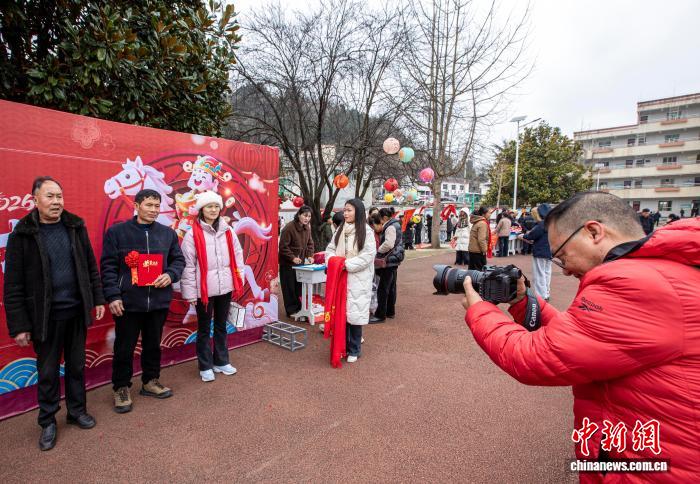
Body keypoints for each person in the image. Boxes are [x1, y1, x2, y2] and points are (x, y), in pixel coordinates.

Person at [462, 191, 700, 482]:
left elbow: (535, 358)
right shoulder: (661, 271)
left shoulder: (636, 282)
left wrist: (479, 310)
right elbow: (584, 338)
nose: (565, 271)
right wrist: (523, 302)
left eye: (562, 256)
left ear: (594, 232)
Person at [3, 177, 106, 451]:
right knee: (47, 372)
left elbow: (90, 266)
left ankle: (76, 411)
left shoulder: (75, 226)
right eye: (50, 196)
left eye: (59, 196)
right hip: (44, 318)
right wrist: (19, 326)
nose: (56, 201)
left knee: (77, 366)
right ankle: (47, 420)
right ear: (35, 199)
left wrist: (97, 299)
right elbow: (12, 285)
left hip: (76, 313)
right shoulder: (22, 234)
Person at [101, 188, 185, 414]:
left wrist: (170, 274)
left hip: (158, 301)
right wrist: (113, 296)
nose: (154, 210)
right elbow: (108, 267)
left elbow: (178, 260)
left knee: (153, 345)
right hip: (128, 302)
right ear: (136, 206)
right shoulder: (117, 233)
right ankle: (121, 388)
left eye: (157, 206)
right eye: (149, 205)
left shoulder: (167, 234)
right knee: (124, 348)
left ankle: (150, 381)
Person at [180, 191, 244, 382]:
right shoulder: (192, 235)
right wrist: (191, 293)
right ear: (202, 209)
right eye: (209, 206)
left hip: (225, 287)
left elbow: (238, 256)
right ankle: (205, 365)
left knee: (221, 325)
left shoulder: (228, 231)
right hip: (204, 291)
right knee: (203, 328)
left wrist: (237, 279)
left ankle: (221, 361)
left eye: (216, 206)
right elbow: (188, 266)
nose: (213, 210)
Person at [325, 199, 376, 362]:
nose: (345, 213)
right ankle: (343, 346)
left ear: (358, 212)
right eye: (344, 210)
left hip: (358, 278)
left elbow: (368, 256)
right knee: (342, 313)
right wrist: (333, 261)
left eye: (349, 210)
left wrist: (345, 265)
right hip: (341, 277)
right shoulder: (340, 229)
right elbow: (330, 249)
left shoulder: (366, 231)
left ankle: (354, 349)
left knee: (355, 314)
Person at [278, 205, 314, 318]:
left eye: (309, 216)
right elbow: (283, 247)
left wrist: (310, 255)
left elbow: (310, 244)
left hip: (300, 263)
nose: (307, 218)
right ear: (299, 215)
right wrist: (292, 257)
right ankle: (291, 310)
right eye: (305, 215)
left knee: (299, 286)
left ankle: (300, 309)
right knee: (289, 287)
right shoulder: (289, 228)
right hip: (287, 263)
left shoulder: (307, 228)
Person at [371, 208, 403, 323]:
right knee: (391, 287)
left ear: (384, 218)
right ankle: (390, 311)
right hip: (394, 259)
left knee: (383, 288)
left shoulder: (390, 227)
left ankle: (380, 315)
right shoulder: (396, 224)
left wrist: (378, 251)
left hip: (389, 261)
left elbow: (388, 244)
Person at [519, 204, 553, 301]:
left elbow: (531, 236)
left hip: (540, 251)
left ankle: (541, 296)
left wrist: (522, 236)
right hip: (549, 251)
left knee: (539, 274)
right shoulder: (551, 223)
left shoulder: (541, 224)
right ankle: (546, 293)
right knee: (547, 273)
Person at [468, 206, 492, 271]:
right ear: (483, 214)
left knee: (472, 271)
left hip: (473, 250)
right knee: (479, 272)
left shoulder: (477, 221)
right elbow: (481, 239)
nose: (490, 214)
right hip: (478, 251)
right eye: (489, 213)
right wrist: (484, 250)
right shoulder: (482, 223)